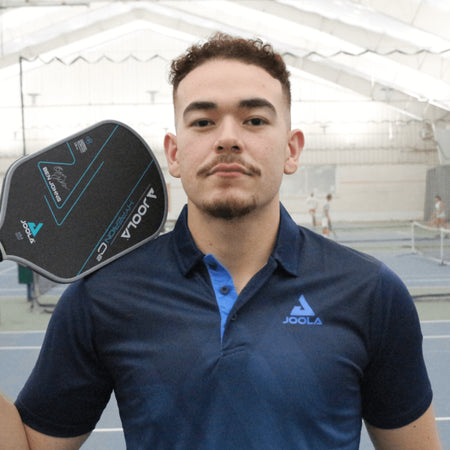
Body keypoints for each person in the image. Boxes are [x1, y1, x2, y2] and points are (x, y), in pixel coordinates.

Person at [0, 33, 441, 449]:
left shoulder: (372, 292)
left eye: (254, 119)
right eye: (204, 121)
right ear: (174, 153)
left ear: (291, 149)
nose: (228, 138)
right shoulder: (100, 297)